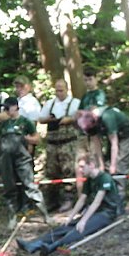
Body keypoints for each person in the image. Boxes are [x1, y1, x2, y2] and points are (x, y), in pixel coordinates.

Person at [16, 155, 122, 256]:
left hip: (107, 213)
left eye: (82, 167)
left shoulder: (105, 178)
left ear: (91, 165)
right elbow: (82, 199)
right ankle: (35, 244)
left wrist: (83, 220)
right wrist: (70, 217)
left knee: (80, 229)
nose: (80, 170)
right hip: (95, 212)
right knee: (65, 227)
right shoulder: (89, 180)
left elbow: (96, 202)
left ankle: (52, 247)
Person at [0, 96, 49, 229]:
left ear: (15, 107)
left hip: (22, 158)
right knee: (9, 188)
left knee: (31, 187)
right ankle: (12, 217)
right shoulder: (3, 124)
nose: (6, 110)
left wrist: (27, 139)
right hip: (6, 160)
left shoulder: (25, 122)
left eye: (7, 108)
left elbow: (37, 139)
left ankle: (45, 215)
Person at [38, 79, 80, 212]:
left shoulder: (74, 103)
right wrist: (52, 119)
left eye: (61, 90)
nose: (59, 93)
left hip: (68, 142)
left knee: (69, 171)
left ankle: (69, 199)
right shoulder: (50, 104)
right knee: (51, 172)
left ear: (67, 89)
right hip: (52, 143)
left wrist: (69, 119)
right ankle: (52, 200)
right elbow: (41, 118)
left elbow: (80, 116)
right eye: (57, 90)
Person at [85, 104, 129, 204]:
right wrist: (101, 164)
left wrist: (113, 166)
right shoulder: (87, 123)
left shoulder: (107, 117)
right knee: (105, 167)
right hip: (114, 138)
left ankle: (119, 203)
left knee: (119, 167)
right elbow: (97, 145)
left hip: (127, 136)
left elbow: (114, 143)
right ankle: (105, 201)